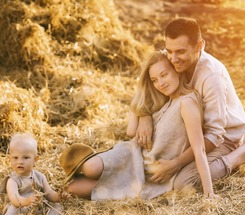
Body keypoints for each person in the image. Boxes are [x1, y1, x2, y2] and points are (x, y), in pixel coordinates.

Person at [61, 50, 217, 200]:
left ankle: (99, 173)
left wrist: (208, 192)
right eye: (154, 80)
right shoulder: (165, 100)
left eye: (164, 75)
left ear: (177, 71)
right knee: (89, 169)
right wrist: (144, 113)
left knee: (73, 188)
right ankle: (84, 163)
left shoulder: (187, 103)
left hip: (147, 176)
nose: (160, 83)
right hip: (132, 156)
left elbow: (199, 149)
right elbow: (131, 131)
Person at [135, 17, 245, 189]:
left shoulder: (212, 78)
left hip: (223, 137)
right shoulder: (172, 57)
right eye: (169, 51)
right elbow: (145, 81)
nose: (173, 59)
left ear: (199, 46)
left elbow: (214, 135)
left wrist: (176, 163)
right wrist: (143, 114)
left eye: (180, 52)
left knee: (185, 183)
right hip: (190, 130)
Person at [0, 132, 63, 215]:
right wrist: (26, 201)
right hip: (20, 207)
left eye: (26, 157)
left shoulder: (40, 176)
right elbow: (15, 199)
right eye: (15, 158)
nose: (20, 161)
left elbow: (49, 193)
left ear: (35, 160)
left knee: (57, 206)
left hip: (37, 207)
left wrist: (59, 196)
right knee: (12, 212)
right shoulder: (12, 180)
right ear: (10, 159)